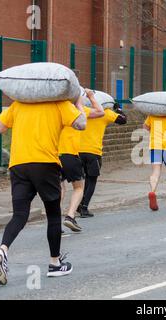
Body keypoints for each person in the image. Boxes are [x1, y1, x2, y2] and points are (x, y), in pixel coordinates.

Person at [0, 99, 86, 285]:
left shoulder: (19, 104)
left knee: (19, 214)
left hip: (18, 164)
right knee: (53, 215)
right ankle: (55, 264)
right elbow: (81, 124)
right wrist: (78, 103)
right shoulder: (59, 102)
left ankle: (3, 249)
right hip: (45, 163)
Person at [59, 89, 105, 232]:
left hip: (53, 155)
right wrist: (90, 96)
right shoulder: (78, 111)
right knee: (79, 187)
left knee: (59, 188)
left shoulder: (56, 110)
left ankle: (54, 221)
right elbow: (100, 112)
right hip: (70, 154)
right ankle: (70, 216)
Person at [77, 102, 127, 218]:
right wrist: (118, 109)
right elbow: (123, 120)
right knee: (92, 180)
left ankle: (77, 204)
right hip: (93, 152)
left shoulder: (81, 110)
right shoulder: (105, 113)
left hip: (77, 151)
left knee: (79, 181)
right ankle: (84, 207)